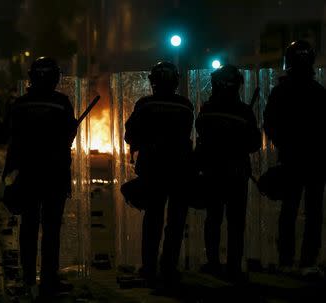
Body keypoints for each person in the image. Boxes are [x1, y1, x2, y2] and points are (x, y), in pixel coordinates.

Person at [3, 57, 77, 297]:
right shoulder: (62, 103)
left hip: (28, 175)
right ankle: (48, 279)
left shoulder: (21, 104)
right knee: (52, 229)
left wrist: (9, 174)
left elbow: (13, 141)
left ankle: (27, 278)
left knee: (29, 226)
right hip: (54, 175)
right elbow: (68, 138)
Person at [124, 61, 194, 290]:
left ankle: (149, 268)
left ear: (153, 81)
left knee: (153, 220)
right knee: (175, 223)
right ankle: (169, 268)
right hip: (179, 171)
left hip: (153, 170)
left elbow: (130, 135)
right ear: (175, 81)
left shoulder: (145, 105)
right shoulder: (185, 106)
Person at [264, 40, 326, 277]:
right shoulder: (318, 91)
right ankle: (306, 261)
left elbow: (269, 123)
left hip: (292, 160)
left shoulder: (281, 91)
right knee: (313, 213)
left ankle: (286, 260)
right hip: (316, 162)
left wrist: (285, 144)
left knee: (289, 210)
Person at [196, 65, 261, 281]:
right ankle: (233, 266)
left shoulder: (207, 109)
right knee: (236, 222)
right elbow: (253, 144)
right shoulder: (244, 111)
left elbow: (202, 138)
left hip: (213, 173)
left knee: (213, 219)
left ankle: (213, 263)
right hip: (236, 173)